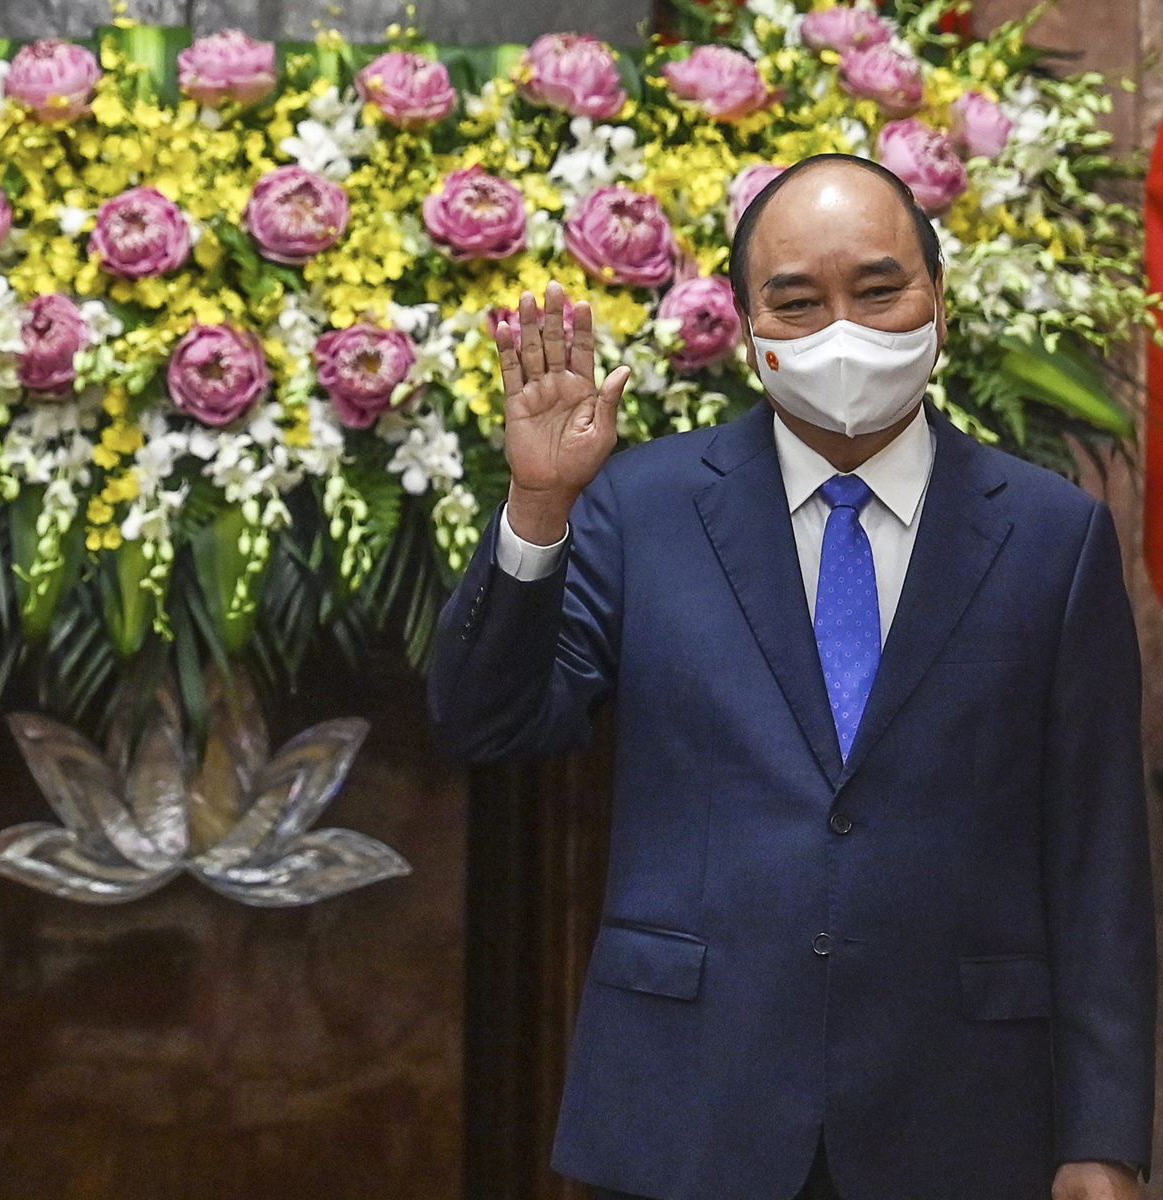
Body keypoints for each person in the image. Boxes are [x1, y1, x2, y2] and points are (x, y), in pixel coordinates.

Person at [430, 153, 1154, 1200]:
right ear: (748, 329)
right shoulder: (644, 505)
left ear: (939, 303)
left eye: (877, 290)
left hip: (961, 1114)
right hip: (688, 1111)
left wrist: (1104, 1136)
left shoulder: (1053, 537)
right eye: (798, 302)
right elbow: (486, 725)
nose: (841, 330)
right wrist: (539, 507)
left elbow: (1098, 860)